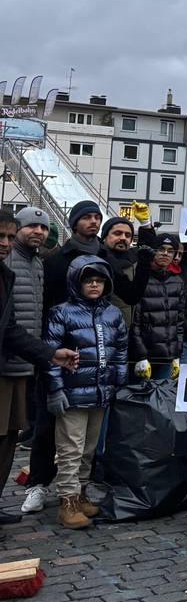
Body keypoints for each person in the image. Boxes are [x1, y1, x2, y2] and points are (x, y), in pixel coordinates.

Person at [24, 199, 104, 514]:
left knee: (85, 433)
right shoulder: (55, 261)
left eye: (97, 217)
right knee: (46, 423)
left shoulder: (104, 257)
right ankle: (38, 484)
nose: (94, 222)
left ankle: (78, 489)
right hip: (56, 351)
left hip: (91, 356)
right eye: (87, 217)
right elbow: (44, 305)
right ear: (74, 223)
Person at [0, 210, 79, 528]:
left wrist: (48, 354)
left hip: (23, 363)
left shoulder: (29, 267)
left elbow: (13, 329)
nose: (4, 243)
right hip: (6, 365)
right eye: (1, 236)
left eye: (7, 236)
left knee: (7, 438)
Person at [44, 257, 127, 529]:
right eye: (88, 279)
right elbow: (50, 353)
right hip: (73, 393)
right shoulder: (62, 312)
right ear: (76, 282)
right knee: (70, 448)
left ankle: (79, 495)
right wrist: (55, 389)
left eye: (99, 279)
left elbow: (120, 350)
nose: (94, 284)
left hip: (101, 393)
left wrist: (119, 381)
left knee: (89, 448)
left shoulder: (113, 313)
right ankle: (66, 502)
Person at [6, 209, 49, 446]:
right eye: (32, 226)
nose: (38, 232)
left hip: (27, 358)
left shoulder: (38, 263)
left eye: (43, 228)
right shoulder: (7, 259)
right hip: (7, 358)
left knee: (12, 429)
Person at [130, 233, 186, 381]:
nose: (165, 254)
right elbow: (135, 324)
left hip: (168, 358)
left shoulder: (178, 281)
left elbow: (179, 323)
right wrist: (141, 356)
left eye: (170, 250)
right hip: (145, 357)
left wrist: (177, 355)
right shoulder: (142, 278)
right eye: (161, 249)